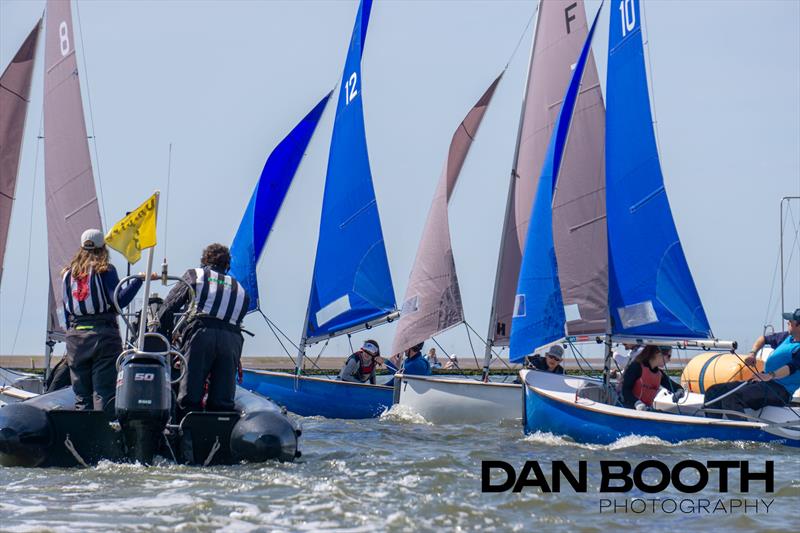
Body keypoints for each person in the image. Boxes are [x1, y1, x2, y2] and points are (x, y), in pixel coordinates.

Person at [158, 243, 249, 415]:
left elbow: (167, 309)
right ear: (227, 265)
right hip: (232, 340)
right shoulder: (241, 289)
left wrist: (167, 345)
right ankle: (218, 434)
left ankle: (186, 432)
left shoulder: (195, 275)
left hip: (202, 334)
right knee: (222, 400)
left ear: (204, 261)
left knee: (189, 395)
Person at [62, 229, 144, 412]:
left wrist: (72, 335)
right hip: (103, 337)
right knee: (104, 393)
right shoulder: (105, 269)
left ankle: (83, 437)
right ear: (103, 248)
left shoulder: (67, 274)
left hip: (75, 338)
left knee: (81, 396)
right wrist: (138, 280)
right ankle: (103, 438)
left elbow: (66, 312)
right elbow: (118, 302)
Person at [705, 309, 800, 415]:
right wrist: (752, 353)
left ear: (798, 325)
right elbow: (763, 339)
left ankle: (739, 431)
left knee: (732, 398)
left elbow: (791, 368)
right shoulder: (787, 337)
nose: (788, 322)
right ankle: (715, 430)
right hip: (762, 382)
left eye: (791, 321)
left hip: (780, 391)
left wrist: (770, 375)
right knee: (713, 392)